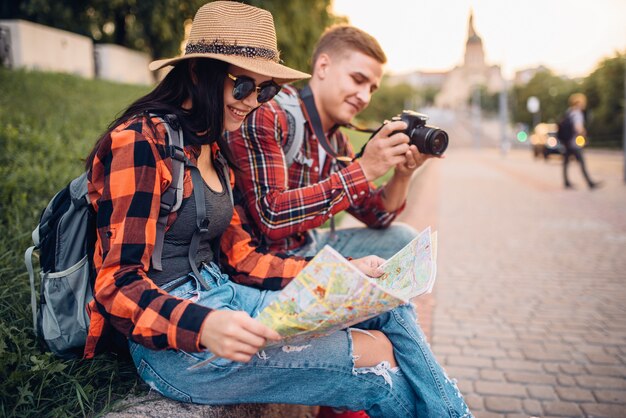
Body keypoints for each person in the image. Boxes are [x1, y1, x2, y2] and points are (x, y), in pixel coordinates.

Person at [83, 2, 470, 417]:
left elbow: (243, 259)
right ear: (197, 72)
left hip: (226, 295)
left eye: (265, 89)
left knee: (389, 302)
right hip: (173, 345)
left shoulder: (211, 145)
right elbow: (117, 283)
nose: (254, 102)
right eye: (242, 85)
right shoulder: (141, 140)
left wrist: (343, 274)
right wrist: (202, 324)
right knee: (378, 361)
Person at [224, 25, 437, 264]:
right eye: (358, 80)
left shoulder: (336, 140)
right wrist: (364, 169)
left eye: (371, 89)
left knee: (403, 239)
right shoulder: (269, 113)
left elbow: (376, 216)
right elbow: (271, 217)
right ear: (323, 66)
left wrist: (403, 174)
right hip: (264, 259)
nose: (365, 97)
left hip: (307, 244)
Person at [562, 93, 602, 190]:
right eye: (583, 102)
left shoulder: (569, 112)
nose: (584, 104)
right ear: (578, 103)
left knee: (566, 162)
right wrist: (584, 133)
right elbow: (578, 128)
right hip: (574, 142)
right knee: (582, 162)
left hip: (567, 142)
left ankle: (566, 182)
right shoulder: (577, 113)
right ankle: (590, 183)